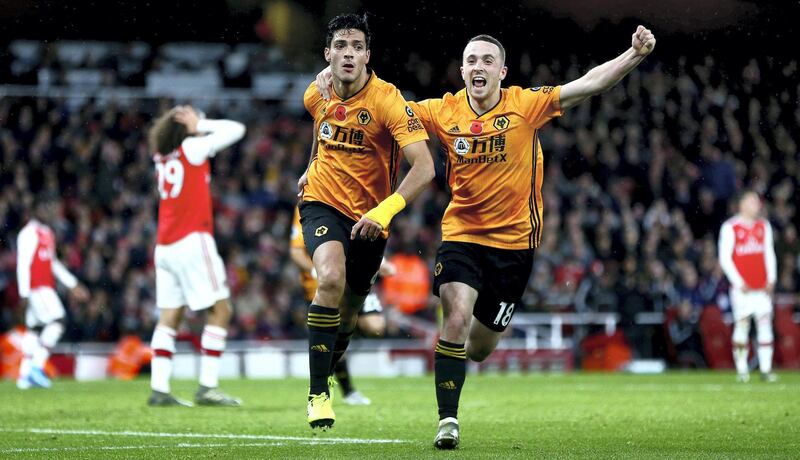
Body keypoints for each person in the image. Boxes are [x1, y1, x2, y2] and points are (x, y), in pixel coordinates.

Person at [317, 26, 656, 448]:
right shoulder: (442, 111)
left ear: (502, 72)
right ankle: (447, 421)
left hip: (515, 247)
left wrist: (633, 55)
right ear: (462, 71)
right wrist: (334, 84)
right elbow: (383, 109)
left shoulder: (525, 105)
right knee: (455, 318)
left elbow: (588, 84)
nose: (479, 67)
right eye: (472, 60)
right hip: (461, 235)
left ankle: (462, 370)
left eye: (487, 61)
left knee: (478, 347)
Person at [298, 13, 434, 430]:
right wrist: (310, 168)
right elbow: (322, 132)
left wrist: (385, 210)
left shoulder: (388, 101)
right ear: (328, 54)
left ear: (368, 55)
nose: (349, 53)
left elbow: (425, 167)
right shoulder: (315, 94)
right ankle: (318, 394)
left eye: (357, 46)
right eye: (341, 45)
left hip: (372, 219)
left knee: (353, 313)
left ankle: (333, 363)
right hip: (322, 203)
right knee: (331, 279)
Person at [147, 105, 246, 407]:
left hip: (165, 246)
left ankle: (159, 389)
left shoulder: (162, 156)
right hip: (192, 239)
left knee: (170, 316)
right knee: (221, 309)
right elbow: (236, 129)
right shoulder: (192, 147)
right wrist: (201, 124)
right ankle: (207, 387)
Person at [289, 206, 394, 406]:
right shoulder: (307, 206)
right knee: (334, 329)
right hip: (323, 284)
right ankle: (344, 388)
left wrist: (381, 263)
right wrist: (313, 270)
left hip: (353, 278)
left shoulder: (359, 197)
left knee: (375, 327)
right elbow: (295, 250)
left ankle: (336, 346)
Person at [16, 194, 90, 389]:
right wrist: (23, 294)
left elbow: (53, 263)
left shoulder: (47, 232)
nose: (50, 212)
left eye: (52, 208)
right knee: (58, 321)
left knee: (34, 330)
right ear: (36, 210)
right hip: (36, 288)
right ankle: (36, 367)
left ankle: (24, 374)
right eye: (46, 208)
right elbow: (23, 264)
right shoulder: (28, 233)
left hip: (44, 286)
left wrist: (72, 284)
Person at [718, 190, 778, 383]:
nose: (757, 205)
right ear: (742, 204)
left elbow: (769, 253)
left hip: (762, 288)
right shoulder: (730, 227)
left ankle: (766, 370)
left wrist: (772, 279)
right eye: (752, 202)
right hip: (742, 289)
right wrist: (738, 282)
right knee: (742, 326)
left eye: (757, 202)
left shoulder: (764, 226)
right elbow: (725, 258)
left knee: (765, 326)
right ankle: (742, 370)